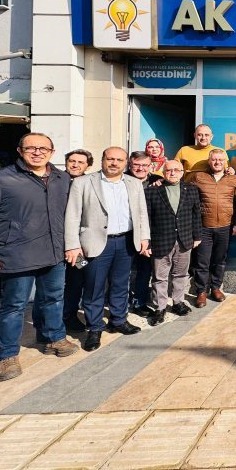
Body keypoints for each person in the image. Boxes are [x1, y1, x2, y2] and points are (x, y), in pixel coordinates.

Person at [0, 133, 77, 382]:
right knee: (14, 306)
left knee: (54, 299)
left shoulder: (62, 179)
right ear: (20, 150)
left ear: (52, 152)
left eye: (43, 148)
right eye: (31, 148)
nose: (37, 152)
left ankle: (54, 337)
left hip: (54, 252)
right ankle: (8, 355)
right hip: (17, 254)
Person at [65, 147, 150, 352]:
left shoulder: (134, 183)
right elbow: (72, 216)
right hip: (95, 244)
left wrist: (144, 237)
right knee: (94, 287)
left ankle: (118, 320)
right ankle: (94, 328)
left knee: (121, 284)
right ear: (102, 160)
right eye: (110, 159)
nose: (114, 163)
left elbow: (141, 212)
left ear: (126, 163)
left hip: (126, 242)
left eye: (119, 160)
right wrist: (73, 245)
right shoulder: (83, 182)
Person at [144, 160, 202, 326]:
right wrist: (147, 242)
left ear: (182, 172)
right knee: (159, 277)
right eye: (169, 170)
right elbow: (147, 219)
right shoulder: (152, 191)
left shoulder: (191, 189)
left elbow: (196, 214)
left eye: (177, 170)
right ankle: (160, 308)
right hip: (160, 240)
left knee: (181, 274)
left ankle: (178, 302)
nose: (173, 173)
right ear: (163, 173)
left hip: (185, 239)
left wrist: (197, 236)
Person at [190, 148, 236, 308]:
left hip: (225, 227)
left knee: (220, 260)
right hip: (204, 227)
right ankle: (201, 291)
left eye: (220, 159)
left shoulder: (234, 179)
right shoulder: (199, 177)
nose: (217, 162)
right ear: (209, 161)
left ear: (225, 162)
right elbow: (189, 200)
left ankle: (216, 288)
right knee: (202, 261)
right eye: (214, 159)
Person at [59, 148, 94, 333]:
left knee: (77, 279)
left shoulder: (90, 183)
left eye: (81, 162)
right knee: (55, 283)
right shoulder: (56, 181)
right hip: (56, 243)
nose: (75, 165)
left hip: (80, 245)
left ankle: (69, 316)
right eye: (72, 161)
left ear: (88, 166)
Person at [126, 151, 159, 316]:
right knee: (122, 272)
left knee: (145, 270)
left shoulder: (157, 180)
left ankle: (140, 302)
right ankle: (122, 304)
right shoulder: (121, 180)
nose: (141, 168)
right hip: (125, 233)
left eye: (144, 165)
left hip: (148, 234)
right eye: (136, 165)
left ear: (150, 166)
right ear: (130, 165)